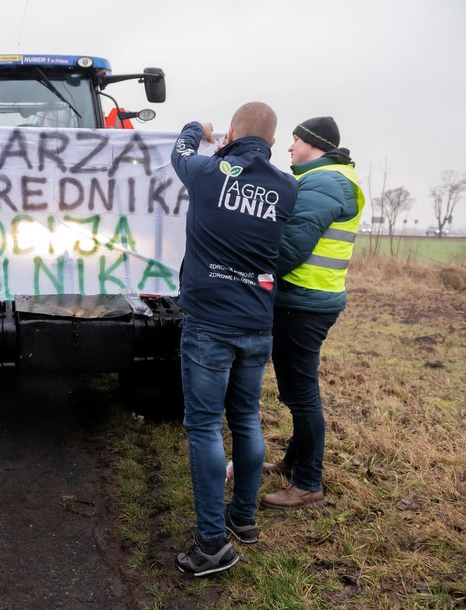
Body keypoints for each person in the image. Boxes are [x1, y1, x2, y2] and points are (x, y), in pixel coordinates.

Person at [170, 102, 298, 576]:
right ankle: (243, 518)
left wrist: (196, 129)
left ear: (230, 134)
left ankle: (211, 545)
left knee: (204, 426)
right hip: (257, 323)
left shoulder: (206, 171)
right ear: (271, 141)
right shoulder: (287, 188)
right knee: (245, 418)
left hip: (208, 323)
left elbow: (179, 152)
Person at [261, 116, 365, 510]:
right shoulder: (333, 178)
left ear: (312, 143)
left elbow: (292, 247)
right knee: (297, 388)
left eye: (295, 140)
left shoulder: (323, 182)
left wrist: (255, 278)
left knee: (301, 392)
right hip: (311, 298)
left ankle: (308, 483)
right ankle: (294, 462)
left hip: (303, 301)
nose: (290, 148)